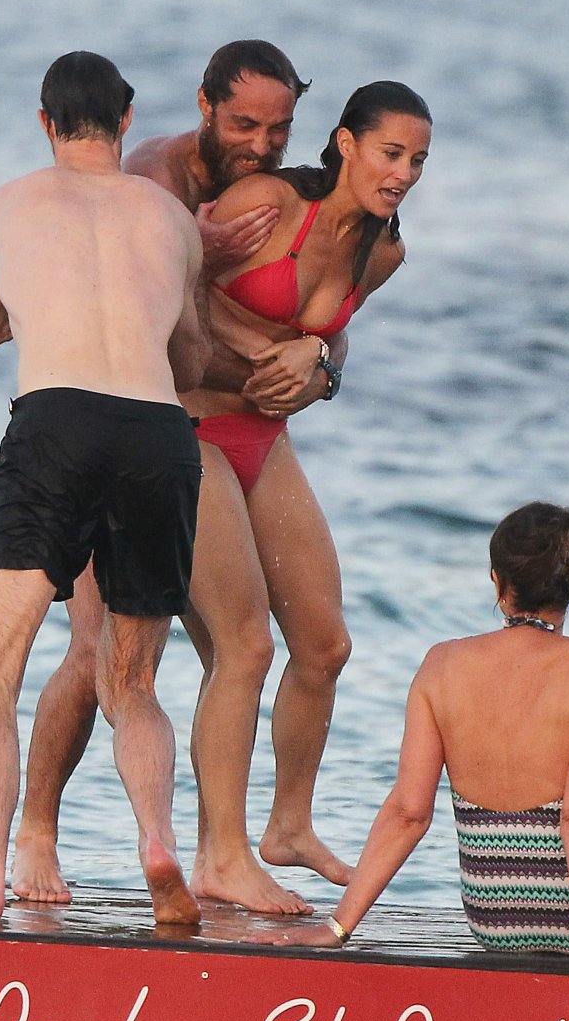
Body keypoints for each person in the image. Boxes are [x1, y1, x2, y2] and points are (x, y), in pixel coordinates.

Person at [9, 41, 341, 906]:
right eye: (243, 124)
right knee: (97, 654)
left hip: (250, 434)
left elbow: (321, 320)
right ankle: (36, 832)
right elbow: (144, 320)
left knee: (303, 644)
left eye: (278, 128)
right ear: (203, 105)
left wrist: (320, 364)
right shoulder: (155, 178)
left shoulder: (282, 195)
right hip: (139, 431)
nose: (261, 145)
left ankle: (252, 839)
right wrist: (198, 258)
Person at [0, 51, 209, 925]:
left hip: (56, 422)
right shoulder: (170, 217)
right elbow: (192, 359)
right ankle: (157, 843)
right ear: (126, 120)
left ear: (45, 122)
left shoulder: (14, 200)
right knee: (133, 684)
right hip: (158, 433)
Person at [174, 80, 433, 915]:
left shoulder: (382, 253)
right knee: (244, 648)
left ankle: (288, 826)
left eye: (418, 161)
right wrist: (276, 355)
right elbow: (172, 298)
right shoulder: (267, 203)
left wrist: (322, 362)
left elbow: (331, 339)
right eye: (391, 153)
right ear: (345, 143)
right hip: (187, 429)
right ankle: (219, 856)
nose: (403, 174)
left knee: (324, 647)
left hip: (265, 439)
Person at [267, 502, 569, 966]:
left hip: (495, 921)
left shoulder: (441, 664)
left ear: (497, 581)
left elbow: (408, 813)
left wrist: (338, 926)